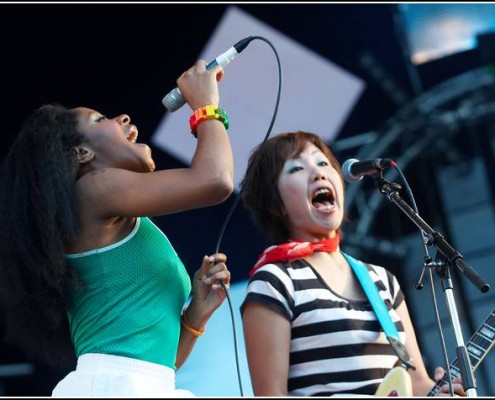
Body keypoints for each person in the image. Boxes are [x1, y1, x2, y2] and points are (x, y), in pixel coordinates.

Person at [0, 59, 233, 397]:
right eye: (100, 119)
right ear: (81, 153)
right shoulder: (93, 190)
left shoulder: (109, 213)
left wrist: (195, 315)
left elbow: (153, 367)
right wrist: (205, 107)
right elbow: (215, 180)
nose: (122, 118)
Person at [239, 131, 466, 397]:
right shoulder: (274, 281)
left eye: (323, 164)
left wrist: (439, 393)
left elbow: (417, 383)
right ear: (274, 204)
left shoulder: (382, 280)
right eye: (297, 168)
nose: (318, 173)